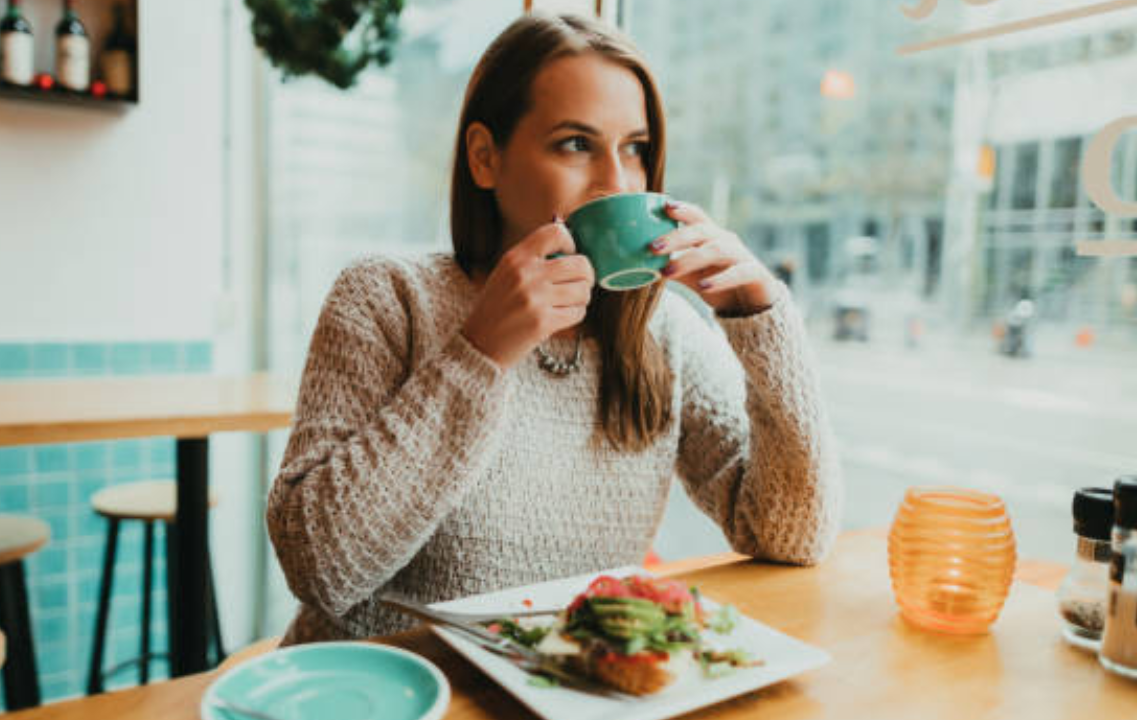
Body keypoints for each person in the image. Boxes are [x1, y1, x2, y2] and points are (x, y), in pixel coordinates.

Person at [266, 12, 843, 644]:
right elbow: (317, 566)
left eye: (636, 149)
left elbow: (791, 535)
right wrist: (478, 353)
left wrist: (758, 319)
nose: (617, 184)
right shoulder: (386, 295)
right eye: (575, 144)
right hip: (386, 694)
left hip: (556, 695)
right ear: (486, 158)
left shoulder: (661, 332)